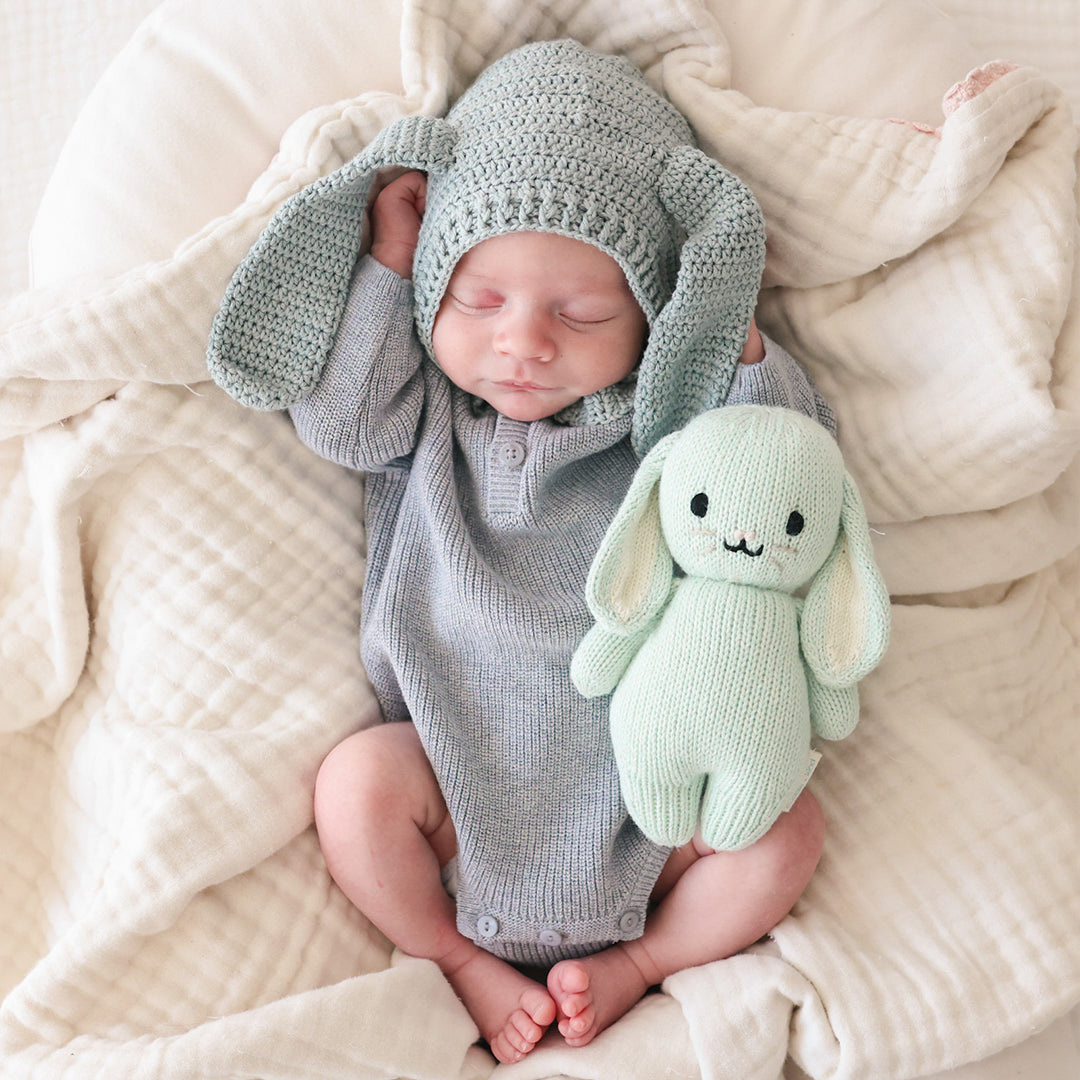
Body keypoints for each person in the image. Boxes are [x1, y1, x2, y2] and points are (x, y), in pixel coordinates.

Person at [208, 40, 835, 1065]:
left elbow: (778, 470)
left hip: (650, 798)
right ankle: (455, 955)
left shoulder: (664, 423)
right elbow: (340, 424)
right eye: (477, 301)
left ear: (651, 312)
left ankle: (648, 960)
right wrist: (390, 263)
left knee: (784, 829)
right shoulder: (425, 416)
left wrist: (734, 343)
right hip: (453, 782)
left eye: (582, 314)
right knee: (355, 787)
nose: (523, 345)